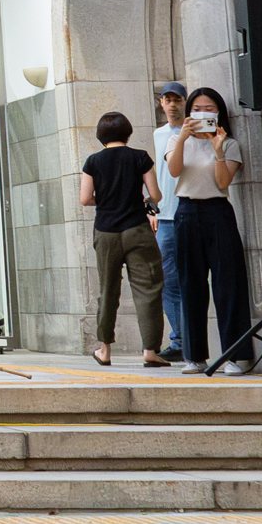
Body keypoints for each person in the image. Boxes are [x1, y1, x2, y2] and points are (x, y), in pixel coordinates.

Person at [165, 87, 251, 370]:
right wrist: (183, 138)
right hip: (187, 212)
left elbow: (223, 182)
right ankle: (194, 355)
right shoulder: (175, 140)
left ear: (219, 112)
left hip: (218, 212)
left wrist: (217, 151)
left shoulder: (229, 144)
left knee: (228, 284)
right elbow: (175, 170)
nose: (203, 114)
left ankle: (233, 356)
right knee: (191, 285)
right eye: (197, 108)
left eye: (209, 108)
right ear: (189, 112)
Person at [76, 111, 161, 368]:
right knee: (148, 289)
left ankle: (104, 350)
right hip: (137, 230)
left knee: (107, 289)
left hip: (106, 232)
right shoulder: (140, 157)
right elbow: (155, 194)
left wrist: (106, 200)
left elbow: (85, 198)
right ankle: (150, 351)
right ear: (128, 132)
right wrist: (142, 202)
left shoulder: (93, 161)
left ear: (101, 136)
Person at [147, 84, 194, 365]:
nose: (172, 105)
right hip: (165, 215)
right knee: (167, 280)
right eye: (168, 100)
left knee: (191, 276)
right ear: (161, 103)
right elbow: (159, 174)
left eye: (177, 100)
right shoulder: (158, 134)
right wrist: (153, 208)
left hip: (191, 207)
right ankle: (179, 340)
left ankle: (189, 339)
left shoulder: (195, 130)